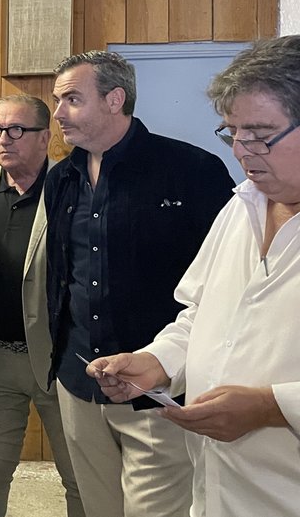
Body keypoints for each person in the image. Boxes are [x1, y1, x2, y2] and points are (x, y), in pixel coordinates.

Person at [86, 36, 300, 515]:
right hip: (220, 489)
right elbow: (201, 315)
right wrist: (159, 361)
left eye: (261, 133)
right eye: (232, 132)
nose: (243, 151)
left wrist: (273, 406)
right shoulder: (242, 206)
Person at [45, 50, 233, 517]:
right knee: (99, 508)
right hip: (79, 383)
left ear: (115, 99)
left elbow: (224, 283)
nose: (57, 113)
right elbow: (60, 278)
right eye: (56, 100)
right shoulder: (61, 180)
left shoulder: (193, 171)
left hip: (158, 391)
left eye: (71, 99)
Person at [0, 95, 82, 517]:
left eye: (16, 130)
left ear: (45, 137)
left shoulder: (71, 187)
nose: (3, 139)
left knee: (77, 472)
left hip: (59, 359)